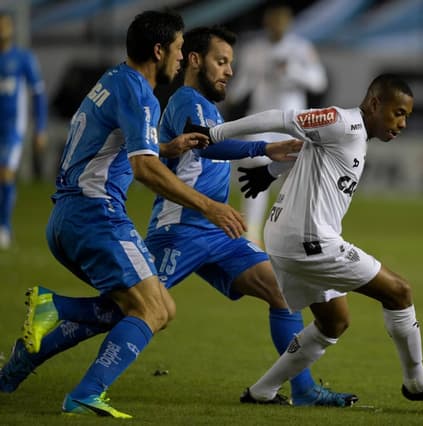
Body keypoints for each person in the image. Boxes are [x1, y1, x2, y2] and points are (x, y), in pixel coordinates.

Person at [0, 24, 356, 409]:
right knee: (127, 309)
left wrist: (263, 157)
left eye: (231, 63)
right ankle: (35, 360)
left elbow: (187, 146)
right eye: (221, 62)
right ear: (194, 60)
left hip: (218, 234)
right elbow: (208, 145)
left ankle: (301, 389)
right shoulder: (187, 100)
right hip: (179, 230)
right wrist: (264, 148)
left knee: (282, 293)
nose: (229, 71)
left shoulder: (200, 105)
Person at [0, 10, 247, 419]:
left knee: (145, 307)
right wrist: (209, 206)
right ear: (158, 50)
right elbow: (143, 169)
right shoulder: (139, 92)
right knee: (155, 310)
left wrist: (167, 148)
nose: (182, 57)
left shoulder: (114, 79)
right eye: (180, 49)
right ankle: (80, 378)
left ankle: (14, 370)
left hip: (68, 216)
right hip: (95, 216)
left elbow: (119, 146)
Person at [188, 74, 423, 406]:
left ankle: (261, 392)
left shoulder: (352, 136)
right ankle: (417, 383)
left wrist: (269, 172)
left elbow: (310, 149)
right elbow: (281, 119)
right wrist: (215, 133)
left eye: (407, 116)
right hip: (308, 241)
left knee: (333, 322)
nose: (403, 123)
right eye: (398, 113)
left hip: (289, 239)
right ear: (374, 104)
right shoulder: (342, 122)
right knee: (399, 292)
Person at [226, 3, 327, 246]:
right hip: (261, 121)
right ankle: (250, 234)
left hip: (293, 123)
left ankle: (294, 235)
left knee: (294, 181)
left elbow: (318, 82)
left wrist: (292, 72)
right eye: (273, 20)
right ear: (266, 22)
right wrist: (228, 97)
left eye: (281, 20)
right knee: (255, 173)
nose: (277, 25)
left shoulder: (301, 48)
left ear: (289, 22)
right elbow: (245, 81)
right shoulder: (254, 49)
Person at [0, 11, 47, 249]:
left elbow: (38, 94)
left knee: (6, 173)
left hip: (12, 127)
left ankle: (4, 227)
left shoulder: (22, 58)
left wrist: (40, 128)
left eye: (5, 26)